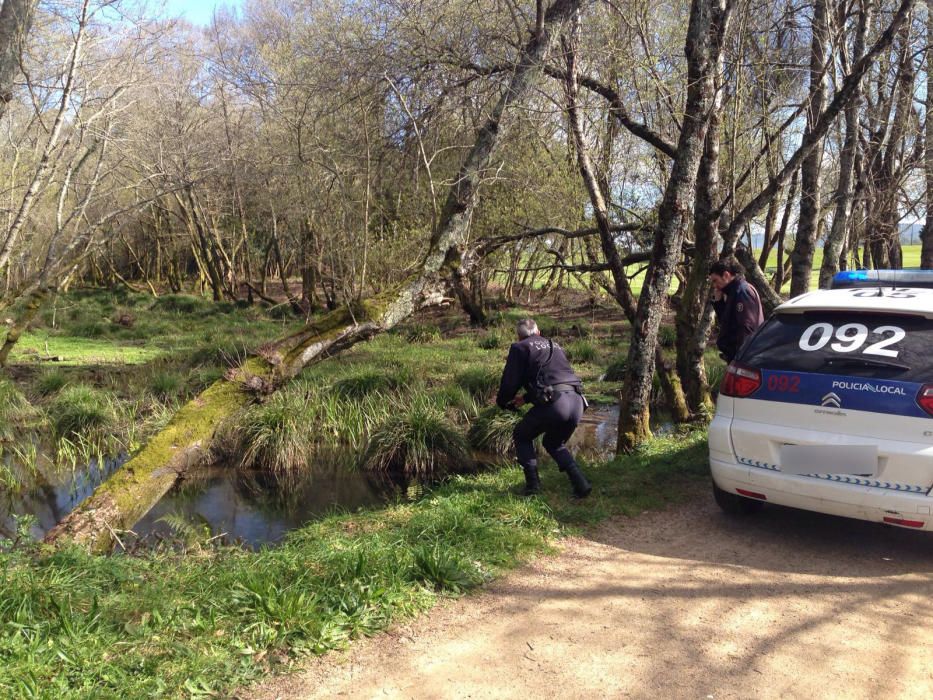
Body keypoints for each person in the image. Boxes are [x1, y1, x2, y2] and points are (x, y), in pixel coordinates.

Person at [495, 318, 592, 498]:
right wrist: (525, 398)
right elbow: (554, 378)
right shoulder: (554, 345)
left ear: (519, 336)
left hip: (556, 404)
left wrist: (502, 401)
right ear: (538, 333)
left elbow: (510, 383)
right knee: (553, 443)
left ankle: (533, 487)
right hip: (577, 401)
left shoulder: (520, 347)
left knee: (521, 435)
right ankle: (581, 484)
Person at [708, 260, 765, 362]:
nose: (714, 286)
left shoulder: (742, 291)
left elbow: (746, 327)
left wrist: (740, 358)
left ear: (726, 275)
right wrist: (719, 302)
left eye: (715, 280)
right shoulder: (733, 292)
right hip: (735, 355)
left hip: (742, 357)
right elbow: (727, 322)